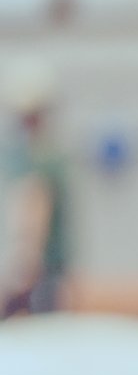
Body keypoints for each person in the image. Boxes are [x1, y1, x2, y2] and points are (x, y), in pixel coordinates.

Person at [1, 61, 69, 318]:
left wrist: (21, 271)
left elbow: (32, 212)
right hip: (48, 275)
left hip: (38, 277)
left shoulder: (37, 159)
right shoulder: (48, 156)